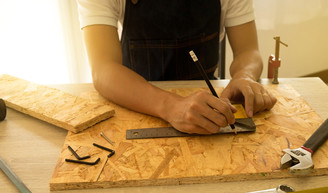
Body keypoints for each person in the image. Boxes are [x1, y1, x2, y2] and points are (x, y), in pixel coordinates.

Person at [77, 0, 277, 134]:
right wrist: (170, 106)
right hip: (135, 105)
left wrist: (245, 76)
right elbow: (103, 69)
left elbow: (248, 51)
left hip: (210, 108)